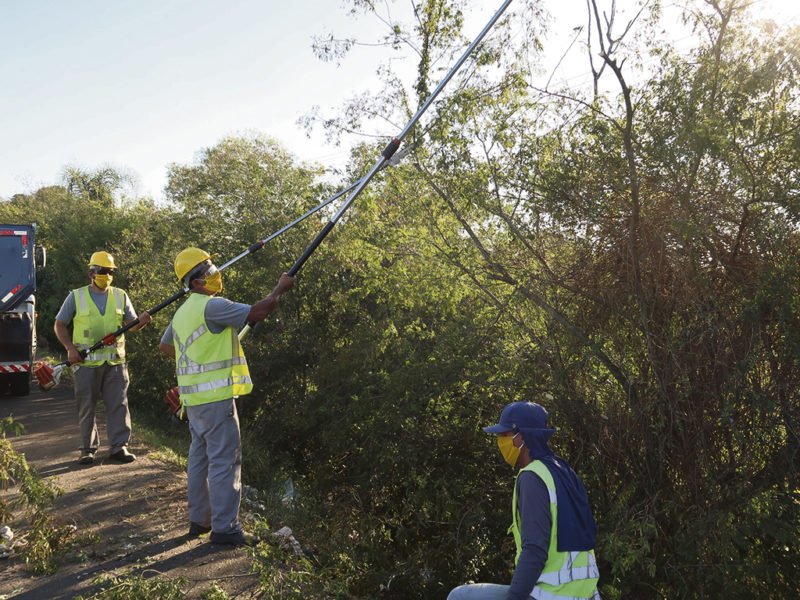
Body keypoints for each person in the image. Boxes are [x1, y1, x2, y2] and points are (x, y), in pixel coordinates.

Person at [159, 247, 295, 546]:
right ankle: (225, 529)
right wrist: (280, 288)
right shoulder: (211, 306)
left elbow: (166, 346)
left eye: (213, 267)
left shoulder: (182, 313)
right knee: (224, 461)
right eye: (208, 270)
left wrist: (197, 359)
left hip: (194, 401)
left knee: (200, 460)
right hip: (215, 399)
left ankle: (200, 521)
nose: (215, 273)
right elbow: (259, 311)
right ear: (195, 282)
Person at [448, 402, 601, 600]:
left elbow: (535, 550)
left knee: (459, 596)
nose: (499, 441)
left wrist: (514, 597)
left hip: (550, 595)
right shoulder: (563, 470)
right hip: (585, 594)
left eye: (504, 435)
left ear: (521, 437)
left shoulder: (532, 477)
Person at [54, 251, 151, 465]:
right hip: (85, 363)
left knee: (119, 404)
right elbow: (59, 324)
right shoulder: (76, 296)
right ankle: (88, 449)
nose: (107, 275)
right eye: (102, 271)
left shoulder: (120, 295)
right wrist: (70, 348)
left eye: (110, 272)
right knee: (86, 405)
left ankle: (119, 447)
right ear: (91, 272)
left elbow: (132, 326)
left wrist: (142, 321)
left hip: (115, 362)